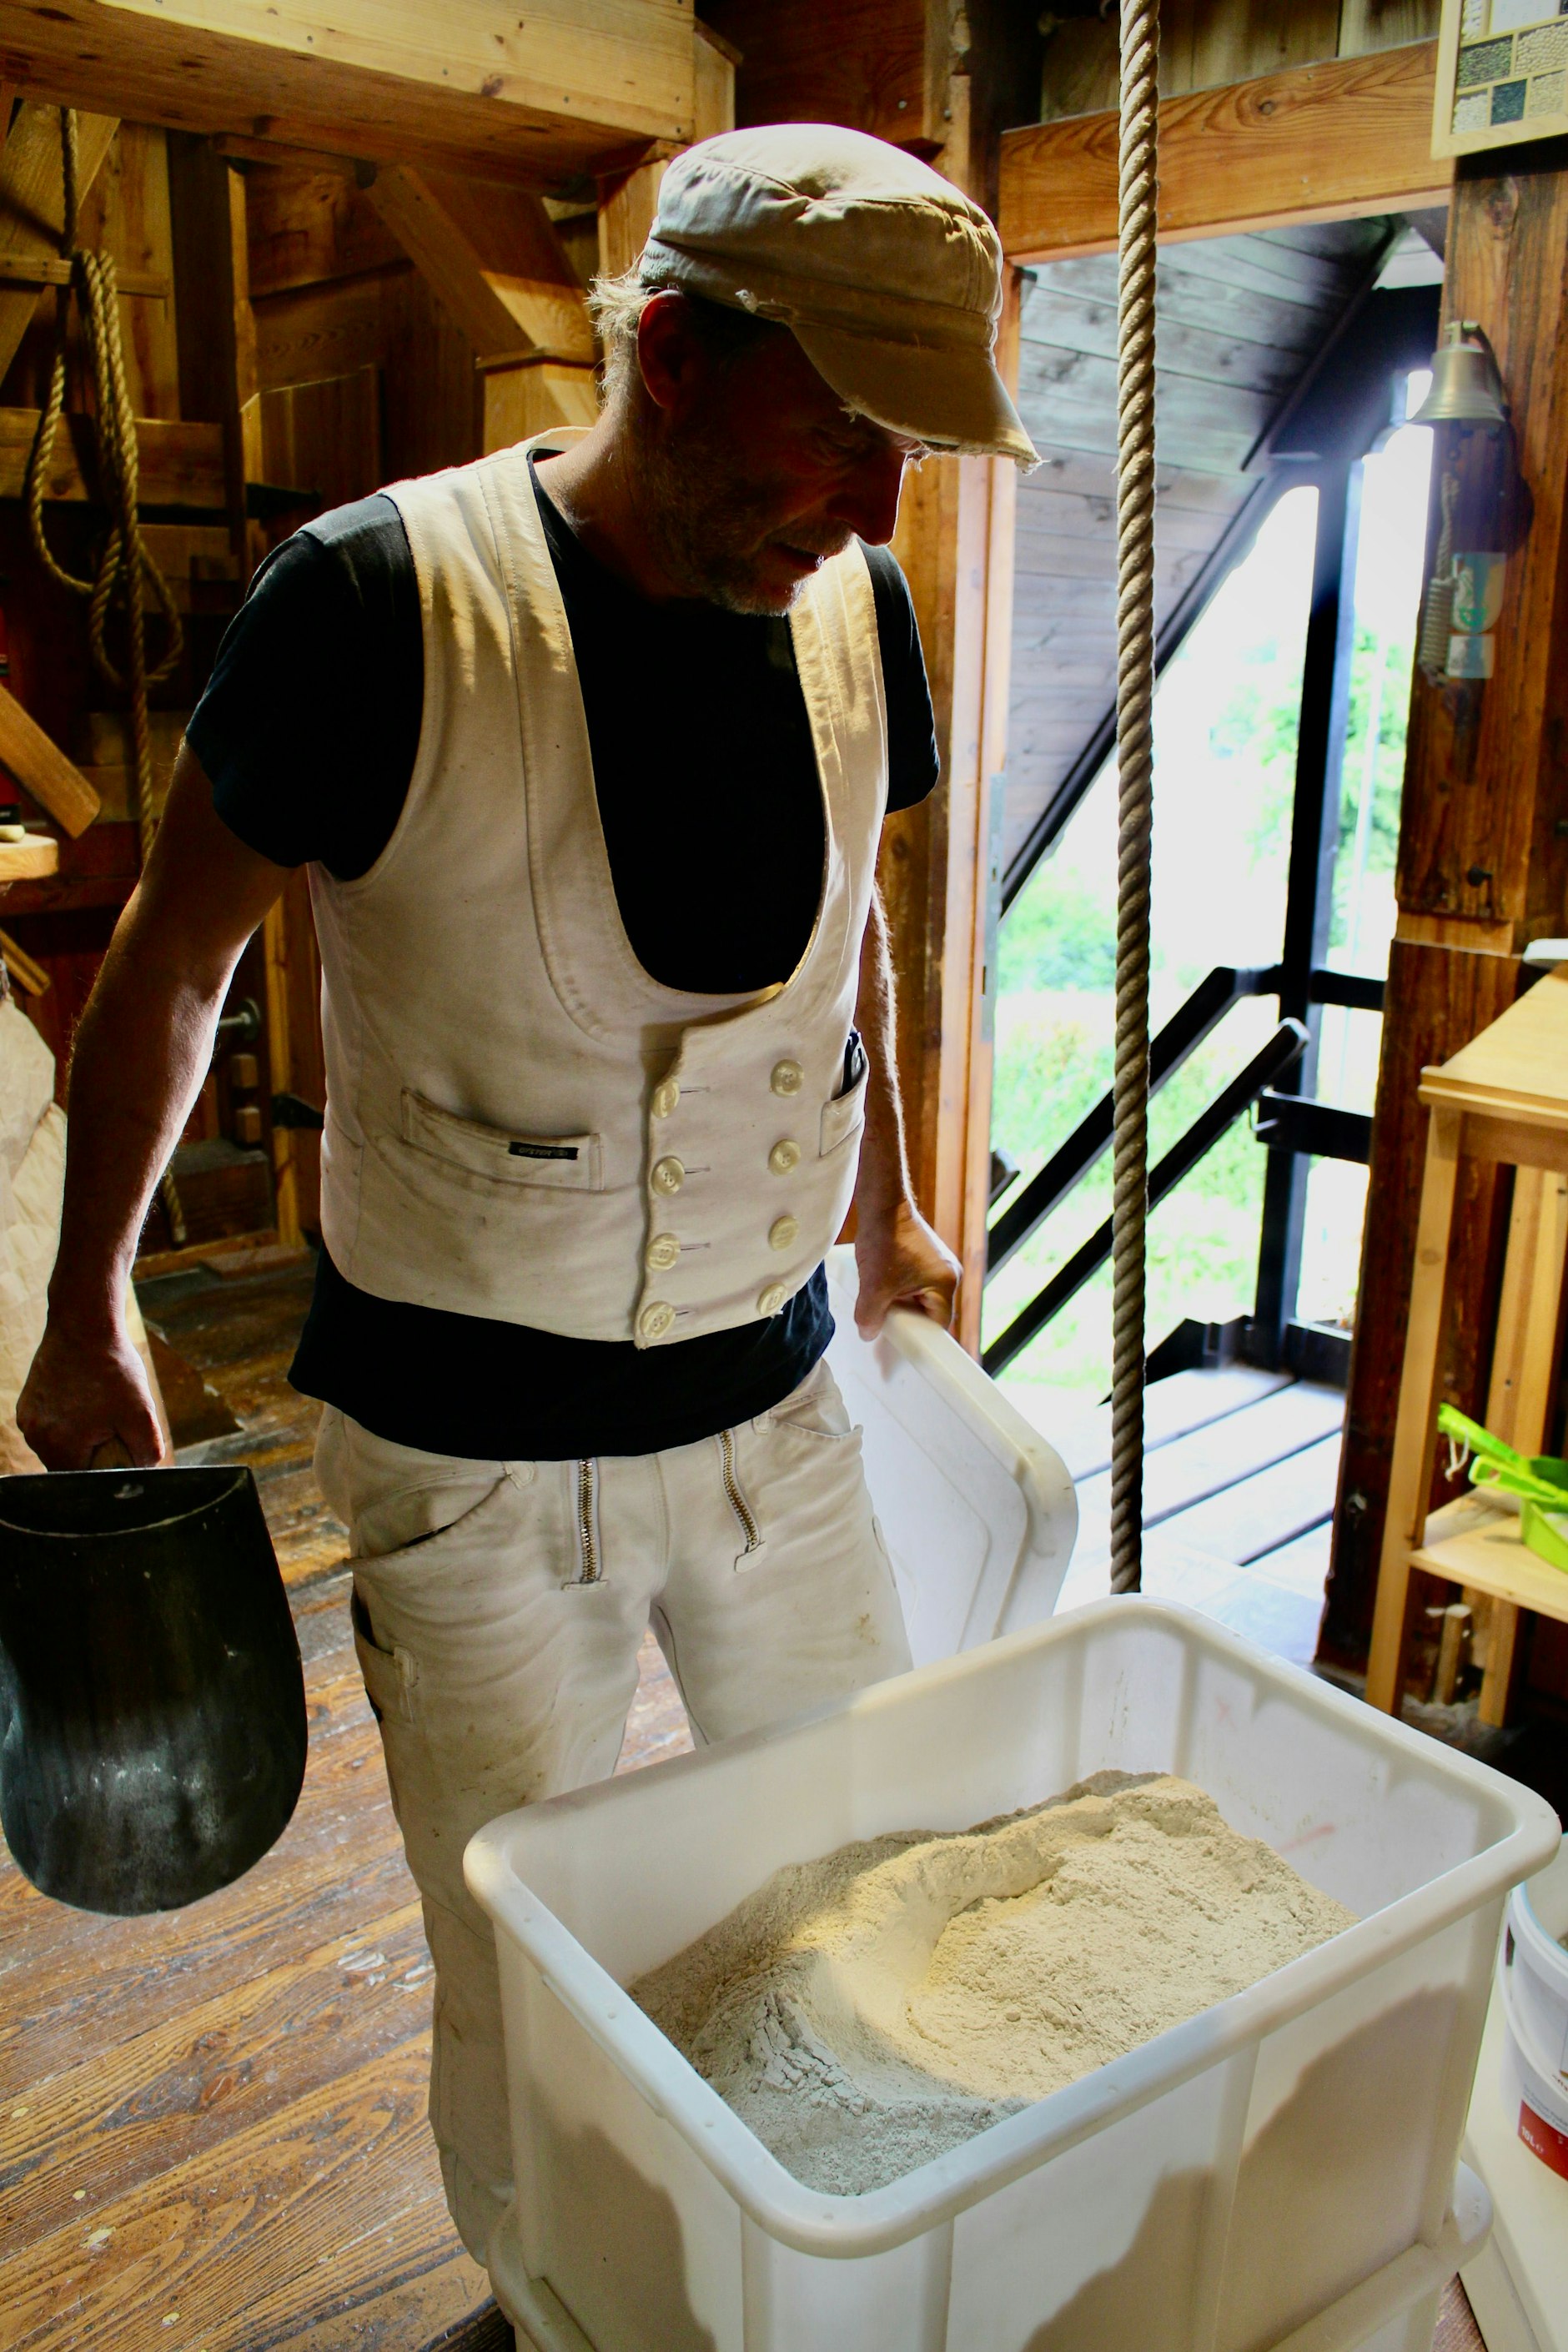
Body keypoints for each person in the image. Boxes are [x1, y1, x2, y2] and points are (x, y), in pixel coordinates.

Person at [18, 123, 1037, 2279]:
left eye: (911, 456)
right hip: (473, 1460)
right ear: (665, 350)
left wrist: (902, 1206)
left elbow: (853, 910)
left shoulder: (860, 605)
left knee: (864, 1874)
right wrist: (90, 1291)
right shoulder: (377, 609)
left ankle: (822, 2275)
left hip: (777, 1414)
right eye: (840, 432)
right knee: (526, 1945)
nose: (875, 505)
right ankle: (554, 2293)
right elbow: (176, 959)